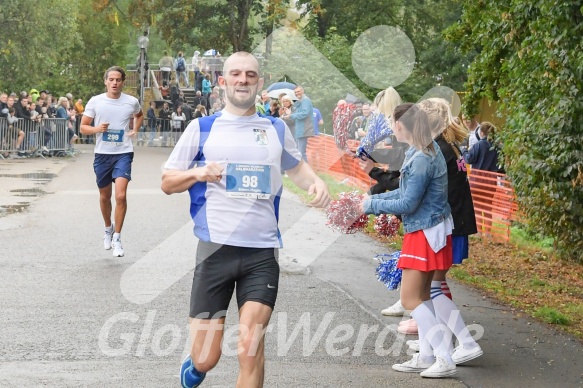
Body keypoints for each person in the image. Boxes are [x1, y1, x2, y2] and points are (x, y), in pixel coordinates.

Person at [161, 51, 330, 388]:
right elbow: (167, 182)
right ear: (223, 82)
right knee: (206, 356)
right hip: (215, 250)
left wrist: (317, 183)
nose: (243, 80)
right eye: (235, 74)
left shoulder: (275, 128)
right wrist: (198, 172)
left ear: (260, 83)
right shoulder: (202, 128)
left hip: (261, 252)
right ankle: (195, 365)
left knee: (250, 348)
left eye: (250, 75)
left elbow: (295, 166)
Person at [360, 103, 457, 378]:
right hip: (428, 230)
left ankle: (444, 357)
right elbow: (404, 192)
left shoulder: (422, 156)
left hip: (425, 232)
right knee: (423, 297)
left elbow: (408, 202)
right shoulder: (421, 149)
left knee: (410, 299)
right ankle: (427, 355)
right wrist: (371, 201)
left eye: (394, 123)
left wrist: (368, 206)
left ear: (403, 125)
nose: (392, 129)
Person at [80, 66, 143, 257]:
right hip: (102, 155)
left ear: (123, 82)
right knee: (105, 197)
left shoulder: (131, 102)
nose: (115, 83)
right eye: (111, 79)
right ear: (105, 81)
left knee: (121, 196)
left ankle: (117, 237)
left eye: (118, 80)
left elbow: (139, 115)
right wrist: (98, 129)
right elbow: (83, 127)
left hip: (123, 152)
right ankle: (108, 228)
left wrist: (135, 129)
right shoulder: (96, 101)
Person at [463, 121, 501, 237]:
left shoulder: (478, 145)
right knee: (488, 206)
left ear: (482, 133)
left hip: (477, 180)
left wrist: (464, 150)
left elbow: (469, 159)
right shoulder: (497, 147)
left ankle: (479, 231)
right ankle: (488, 232)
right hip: (491, 181)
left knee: (477, 207)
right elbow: (501, 166)